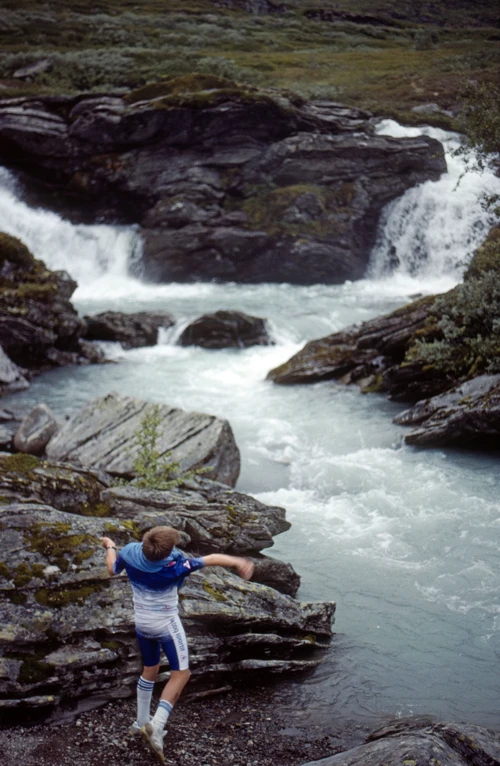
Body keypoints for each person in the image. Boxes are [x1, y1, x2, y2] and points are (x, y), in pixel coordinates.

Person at [100, 526, 254, 763]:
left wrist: (110, 545)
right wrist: (239, 562)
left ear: (145, 542)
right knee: (181, 674)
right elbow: (211, 559)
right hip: (167, 626)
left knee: (149, 670)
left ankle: (141, 722)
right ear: (168, 551)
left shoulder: (130, 553)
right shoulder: (176, 567)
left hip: (142, 624)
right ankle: (157, 726)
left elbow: (112, 569)